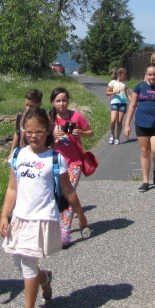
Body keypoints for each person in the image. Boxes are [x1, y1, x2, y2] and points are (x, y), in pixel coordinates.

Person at [0, 107, 85, 308]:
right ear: (23, 131)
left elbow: (68, 190)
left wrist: (81, 215)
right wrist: (4, 215)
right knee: (20, 265)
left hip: (41, 218)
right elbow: (11, 188)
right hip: (20, 218)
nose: (33, 135)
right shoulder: (18, 155)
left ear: (47, 130)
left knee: (27, 263)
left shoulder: (55, 159)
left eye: (38, 131)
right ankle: (44, 278)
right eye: (28, 131)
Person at [49, 87, 93, 246]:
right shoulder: (49, 119)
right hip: (54, 162)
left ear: (68, 101)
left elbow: (90, 132)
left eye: (64, 100)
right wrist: (52, 136)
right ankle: (54, 228)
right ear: (52, 102)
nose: (62, 103)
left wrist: (80, 132)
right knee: (55, 196)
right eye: (58, 100)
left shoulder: (76, 116)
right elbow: (40, 140)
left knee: (68, 194)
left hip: (74, 162)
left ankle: (65, 232)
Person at [124, 64, 155, 192]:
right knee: (145, 152)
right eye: (150, 74)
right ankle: (145, 181)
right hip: (141, 123)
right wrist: (127, 124)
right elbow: (132, 106)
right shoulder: (140, 87)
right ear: (146, 74)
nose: (152, 77)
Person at [10, 88, 43, 155]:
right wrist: (12, 151)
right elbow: (17, 133)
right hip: (21, 150)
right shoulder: (21, 116)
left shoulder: (43, 119)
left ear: (39, 104)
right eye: (26, 105)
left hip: (37, 152)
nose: (28, 108)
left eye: (31, 106)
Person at [105, 67, 129, 145]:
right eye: (124, 75)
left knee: (119, 121)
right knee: (113, 120)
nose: (125, 76)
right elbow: (107, 93)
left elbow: (128, 95)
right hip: (115, 102)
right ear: (120, 74)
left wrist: (133, 103)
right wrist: (114, 92)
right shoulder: (112, 82)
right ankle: (112, 135)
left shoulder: (125, 84)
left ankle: (117, 138)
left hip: (123, 103)